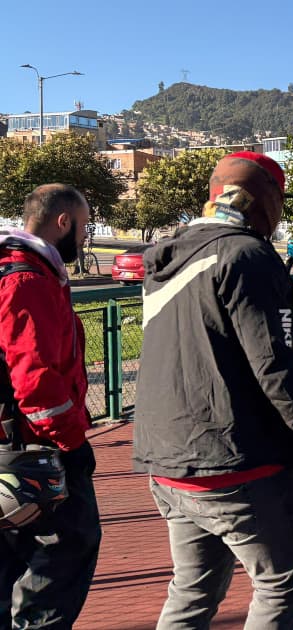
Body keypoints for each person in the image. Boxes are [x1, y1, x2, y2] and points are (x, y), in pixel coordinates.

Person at [133, 152, 293, 628]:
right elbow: (275, 369)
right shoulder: (248, 256)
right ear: (263, 202)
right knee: (284, 583)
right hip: (240, 460)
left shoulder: (166, 260)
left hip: (167, 460)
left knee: (192, 589)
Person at [0, 184, 101, 629]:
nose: (84, 238)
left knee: (12, 555)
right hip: (36, 450)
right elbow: (36, 378)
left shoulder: (19, 269)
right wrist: (74, 444)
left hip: (15, 442)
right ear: (64, 222)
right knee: (67, 546)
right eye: (83, 228)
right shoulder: (28, 278)